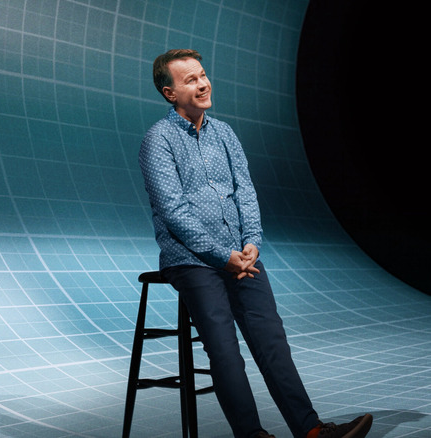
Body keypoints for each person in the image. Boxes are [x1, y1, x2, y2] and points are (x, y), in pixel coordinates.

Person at [138, 49, 373, 438]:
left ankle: (311, 431)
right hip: (192, 260)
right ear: (169, 93)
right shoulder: (158, 141)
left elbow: (245, 193)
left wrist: (251, 244)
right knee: (224, 348)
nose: (203, 83)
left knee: (271, 339)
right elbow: (174, 211)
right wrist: (220, 255)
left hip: (241, 256)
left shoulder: (225, 133)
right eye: (191, 80)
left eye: (202, 75)